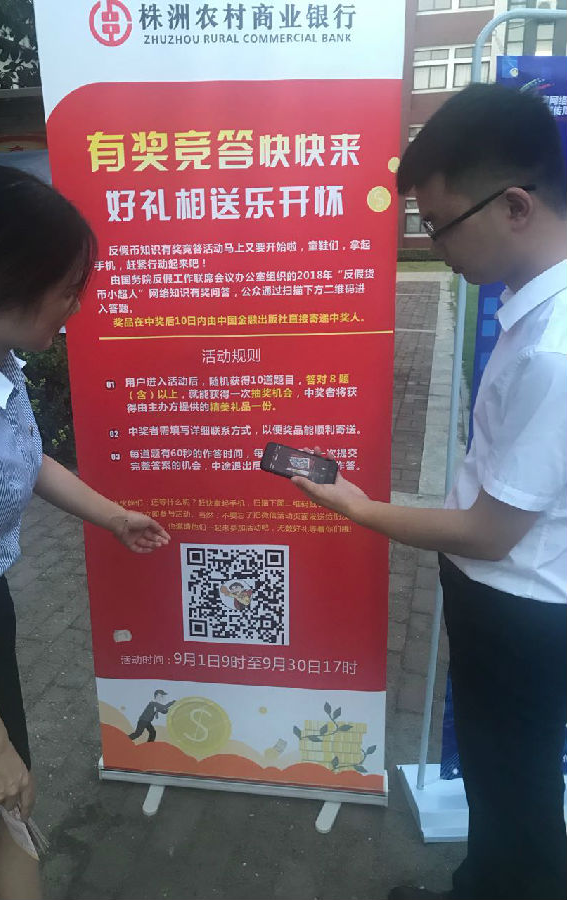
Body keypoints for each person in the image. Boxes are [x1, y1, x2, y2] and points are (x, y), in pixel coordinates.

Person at [291, 84, 566, 900]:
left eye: (440, 223)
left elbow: (489, 531)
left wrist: (357, 507)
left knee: (515, 792)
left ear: (513, 205)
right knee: (497, 778)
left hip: (521, 609)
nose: (433, 245)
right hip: (509, 601)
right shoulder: (532, 313)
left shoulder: (553, 350)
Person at [0, 165, 170, 900]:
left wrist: (112, 516)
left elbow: (25, 455)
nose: (78, 306)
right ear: (8, 279)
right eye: (69, 288)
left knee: (11, 813)